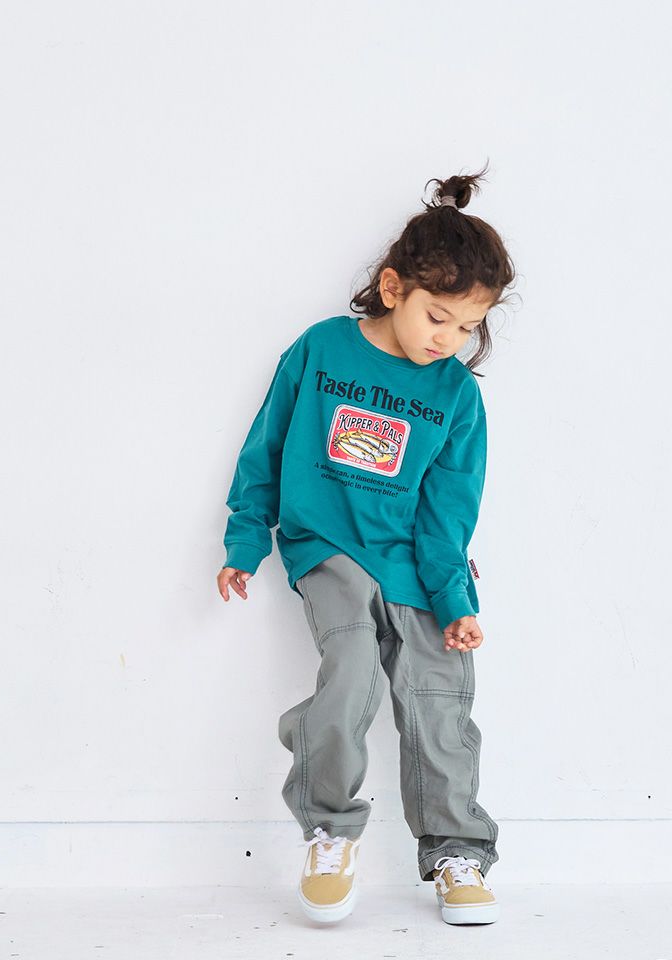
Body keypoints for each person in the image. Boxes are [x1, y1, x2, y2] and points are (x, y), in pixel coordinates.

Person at [216, 165, 516, 927]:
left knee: (440, 698)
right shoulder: (321, 350)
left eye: (468, 326)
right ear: (392, 289)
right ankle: (329, 832)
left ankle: (457, 853)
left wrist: (454, 600)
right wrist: (246, 540)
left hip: (416, 562)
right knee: (350, 673)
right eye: (438, 318)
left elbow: (449, 512)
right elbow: (265, 449)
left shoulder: (457, 395)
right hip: (329, 547)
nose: (450, 340)